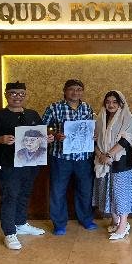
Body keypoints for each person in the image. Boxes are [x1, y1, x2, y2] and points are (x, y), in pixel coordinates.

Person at [0, 81, 49, 250]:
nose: (17, 97)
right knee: (10, 196)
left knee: (24, 194)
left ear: (25, 95)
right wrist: (0, 139)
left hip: (30, 163)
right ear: (6, 95)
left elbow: (40, 136)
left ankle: (21, 223)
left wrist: (47, 139)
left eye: (21, 94)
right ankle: (9, 232)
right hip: (8, 164)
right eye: (13, 93)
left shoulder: (32, 114)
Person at [42, 79, 97, 236]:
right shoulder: (54, 107)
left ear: (82, 92)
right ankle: (59, 224)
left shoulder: (87, 107)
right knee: (58, 191)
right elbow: (43, 127)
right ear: (65, 91)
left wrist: (93, 135)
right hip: (60, 157)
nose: (75, 92)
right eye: (72, 89)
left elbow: (92, 128)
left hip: (84, 157)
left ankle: (86, 219)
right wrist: (54, 134)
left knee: (85, 190)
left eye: (79, 89)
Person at [92, 91, 132, 240]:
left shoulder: (128, 118)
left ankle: (123, 226)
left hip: (121, 161)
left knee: (121, 194)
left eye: (114, 102)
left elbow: (126, 140)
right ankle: (115, 220)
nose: (111, 105)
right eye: (108, 102)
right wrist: (100, 155)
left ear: (120, 103)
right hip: (103, 161)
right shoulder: (100, 118)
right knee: (108, 191)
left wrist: (109, 155)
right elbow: (94, 140)